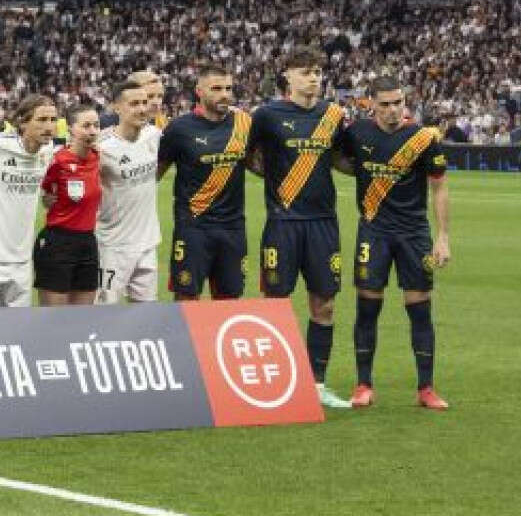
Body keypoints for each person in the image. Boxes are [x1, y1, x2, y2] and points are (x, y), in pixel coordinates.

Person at [339, 79, 453, 411]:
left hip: (414, 234)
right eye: (385, 104)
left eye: (398, 103)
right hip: (373, 232)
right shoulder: (357, 133)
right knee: (367, 309)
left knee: (420, 310)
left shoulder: (423, 138)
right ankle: (363, 385)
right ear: (370, 103)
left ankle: (426, 388)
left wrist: (443, 237)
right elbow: (339, 159)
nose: (392, 110)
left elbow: (440, 187)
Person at [249, 47, 352, 410]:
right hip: (283, 222)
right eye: (306, 71)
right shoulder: (266, 115)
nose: (314, 77)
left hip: (324, 223)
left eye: (317, 71)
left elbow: (341, 157)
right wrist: (268, 174)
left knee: (324, 305)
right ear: (287, 76)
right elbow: (247, 154)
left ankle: (317, 383)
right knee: (274, 303)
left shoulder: (333, 115)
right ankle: (275, 382)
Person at [159, 66, 251, 301]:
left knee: (229, 302)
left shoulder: (244, 124)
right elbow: (155, 173)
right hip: (193, 227)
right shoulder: (179, 129)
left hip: (233, 228)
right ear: (199, 91)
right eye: (217, 89)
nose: (225, 94)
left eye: (229, 88)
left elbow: (259, 164)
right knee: (186, 300)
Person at [0, 94, 57, 308]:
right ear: (23, 122)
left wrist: (48, 198)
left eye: (53, 120)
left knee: (17, 328)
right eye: (42, 120)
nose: (49, 126)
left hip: (23, 259)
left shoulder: (47, 152)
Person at [95, 79, 162, 305]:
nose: (142, 108)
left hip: (148, 243)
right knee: (104, 312)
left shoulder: (154, 135)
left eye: (145, 102)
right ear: (117, 107)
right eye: (134, 103)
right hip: (112, 247)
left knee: (146, 312)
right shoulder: (102, 146)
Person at [37, 104, 103, 306]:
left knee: (82, 320)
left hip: (88, 242)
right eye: (86, 126)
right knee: (53, 321)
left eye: (96, 125)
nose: (92, 131)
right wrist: (47, 199)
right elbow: (45, 194)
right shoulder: (57, 161)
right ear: (70, 129)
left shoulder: (98, 156)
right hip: (58, 243)